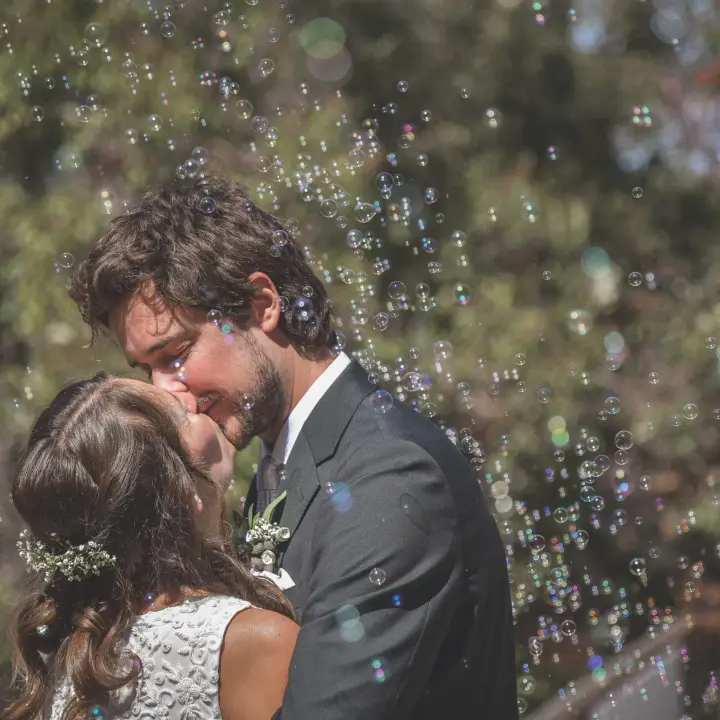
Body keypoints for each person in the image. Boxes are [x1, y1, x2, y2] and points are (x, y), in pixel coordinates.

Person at [68, 177, 518, 719]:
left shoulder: (389, 476)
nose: (166, 391)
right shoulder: (278, 470)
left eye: (178, 354)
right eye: (146, 369)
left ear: (262, 306)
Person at [1, 373, 299, 720]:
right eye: (183, 416)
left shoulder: (68, 649)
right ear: (181, 494)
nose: (189, 396)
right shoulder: (254, 642)